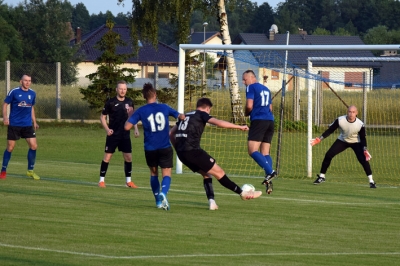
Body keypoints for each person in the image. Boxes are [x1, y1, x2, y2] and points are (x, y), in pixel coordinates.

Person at [169, 97, 262, 211]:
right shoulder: (202, 114)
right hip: (193, 152)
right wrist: (239, 126)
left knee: (207, 174)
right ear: (207, 108)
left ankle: (212, 202)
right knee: (220, 173)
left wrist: (178, 149)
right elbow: (219, 123)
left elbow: (171, 133)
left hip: (182, 154)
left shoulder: (185, 115)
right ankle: (243, 193)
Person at [124, 83, 185, 210]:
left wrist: (130, 116)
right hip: (164, 146)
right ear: (155, 94)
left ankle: (158, 201)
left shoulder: (141, 110)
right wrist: (181, 116)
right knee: (166, 173)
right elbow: (180, 116)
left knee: (153, 173)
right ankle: (163, 192)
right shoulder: (164, 107)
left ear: (144, 96)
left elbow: (127, 127)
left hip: (150, 148)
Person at [310, 105, 376, 188]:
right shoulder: (340, 120)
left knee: (363, 160)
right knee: (328, 155)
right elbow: (330, 130)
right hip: (343, 140)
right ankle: (322, 177)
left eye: (353, 112)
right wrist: (319, 139)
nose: (351, 114)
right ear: (347, 112)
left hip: (356, 142)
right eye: (349, 112)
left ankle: (371, 181)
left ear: (356, 113)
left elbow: (363, 138)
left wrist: (364, 149)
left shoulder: (360, 124)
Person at [98, 80, 139, 188]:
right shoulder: (110, 102)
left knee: (128, 157)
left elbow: (132, 117)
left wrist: (135, 128)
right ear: (117, 89)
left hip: (125, 135)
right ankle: (101, 180)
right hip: (113, 135)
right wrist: (107, 129)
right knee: (107, 157)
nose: (122, 91)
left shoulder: (129, 102)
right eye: (120, 89)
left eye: (124, 89)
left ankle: (128, 182)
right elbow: (102, 117)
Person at [1, 74, 40, 180]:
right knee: (10, 147)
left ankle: (30, 171)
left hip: (27, 125)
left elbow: (31, 107)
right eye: (26, 80)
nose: (28, 82)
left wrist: (34, 122)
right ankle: (3, 170)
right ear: (20, 81)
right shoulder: (14, 92)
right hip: (14, 124)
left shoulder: (32, 93)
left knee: (34, 146)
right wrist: (5, 118)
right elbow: (5, 104)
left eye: (30, 81)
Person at [242, 70, 275, 194]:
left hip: (259, 120)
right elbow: (270, 108)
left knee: (252, 150)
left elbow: (249, 105)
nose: (243, 82)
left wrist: (246, 113)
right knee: (265, 152)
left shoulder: (251, 87)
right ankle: (269, 179)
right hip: (270, 120)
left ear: (252, 78)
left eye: (244, 79)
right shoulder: (266, 89)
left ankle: (271, 172)